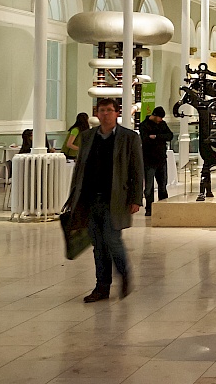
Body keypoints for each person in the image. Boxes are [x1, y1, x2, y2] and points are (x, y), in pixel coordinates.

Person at [65, 99, 143, 303]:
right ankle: (102, 287)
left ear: (117, 113)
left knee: (112, 239)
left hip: (115, 199)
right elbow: (80, 168)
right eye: (102, 110)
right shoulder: (88, 136)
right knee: (98, 245)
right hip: (90, 198)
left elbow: (137, 169)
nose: (106, 114)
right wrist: (73, 197)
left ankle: (124, 275)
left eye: (110, 110)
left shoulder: (129, 137)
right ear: (97, 114)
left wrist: (135, 198)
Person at [138, 106, 174, 215]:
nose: (161, 120)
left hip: (161, 159)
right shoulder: (144, 125)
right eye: (159, 117)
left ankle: (163, 205)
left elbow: (170, 135)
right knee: (149, 187)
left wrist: (156, 136)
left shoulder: (162, 124)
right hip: (149, 160)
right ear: (154, 115)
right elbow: (145, 139)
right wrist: (158, 138)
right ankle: (149, 208)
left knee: (162, 185)